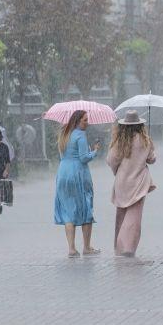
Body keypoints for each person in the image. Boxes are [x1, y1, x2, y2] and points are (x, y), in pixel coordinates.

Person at [106, 110, 156, 258]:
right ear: (140, 125)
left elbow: (111, 160)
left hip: (122, 182)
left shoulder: (120, 141)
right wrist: (150, 148)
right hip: (139, 182)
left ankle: (119, 247)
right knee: (134, 215)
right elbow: (152, 159)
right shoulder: (145, 140)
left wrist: (117, 170)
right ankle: (128, 246)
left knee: (121, 214)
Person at [54, 110, 101, 258]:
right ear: (77, 121)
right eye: (85, 120)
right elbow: (83, 158)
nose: (87, 123)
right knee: (85, 207)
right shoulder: (80, 135)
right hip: (77, 174)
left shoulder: (64, 135)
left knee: (69, 210)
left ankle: (71, 249)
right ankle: (87, 247)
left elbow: (63, 155)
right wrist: (94, 151)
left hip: (63, 173)